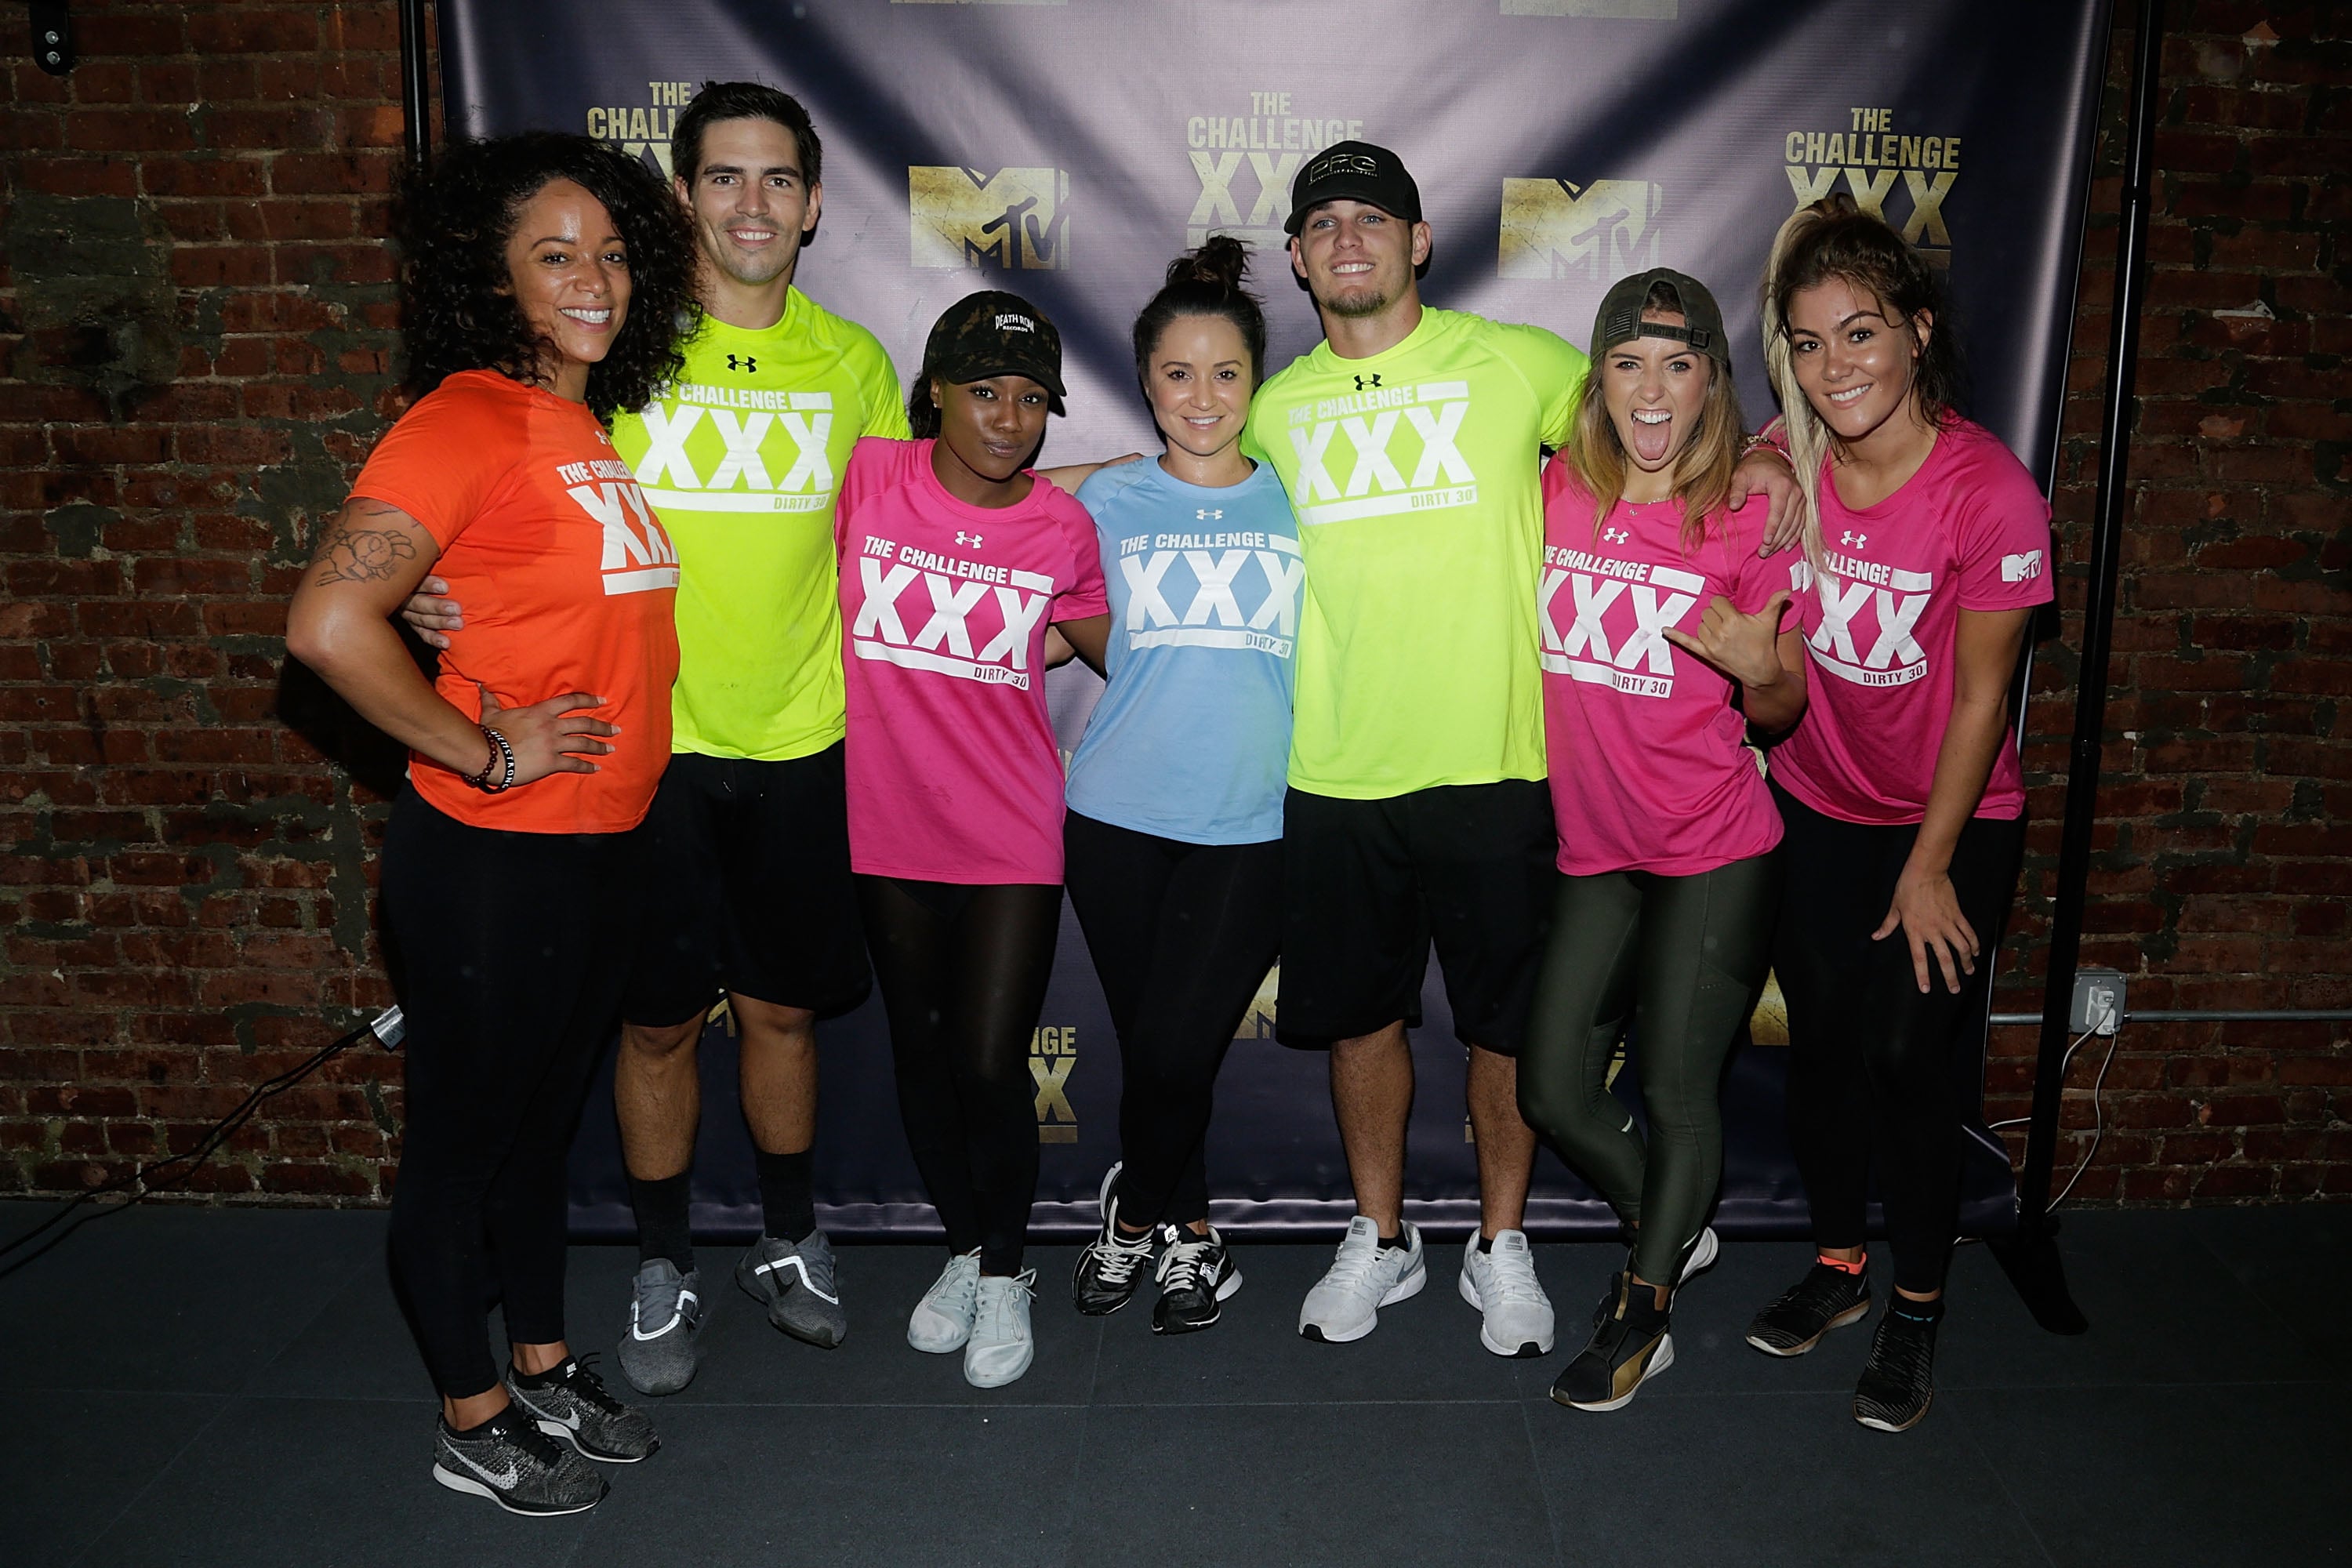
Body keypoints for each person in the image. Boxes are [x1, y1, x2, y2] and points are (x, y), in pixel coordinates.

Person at [1242, 142, 1802, 1354]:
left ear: (1419, 240)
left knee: (1507, 1032)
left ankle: (1502, 1244)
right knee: (1359, 1023)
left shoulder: (1519, 364)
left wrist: (1764, 453)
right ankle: (1381, 1236)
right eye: (1325, 222)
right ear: (1295, 256)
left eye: (1374, 217)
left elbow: (1658, 417)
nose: (1349, 237)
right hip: (1336, 771)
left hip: (1500, 769)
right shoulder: (1273, 411)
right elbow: (1183, 480)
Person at [405, 84, 908, 1395]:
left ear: (814, 202)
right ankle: (664, 1262)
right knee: (658, 1023)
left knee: (783, 1012)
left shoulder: (855, 363)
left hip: (799, 740)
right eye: (724, 177)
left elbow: (918, 525)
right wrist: (415, 581)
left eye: (779, 178)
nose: (753, 203)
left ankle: (790, 1240)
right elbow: (479, 475)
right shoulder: (614, 345)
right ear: (682, 195)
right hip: (643, 756)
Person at [286, 132, 695, 1513]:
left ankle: (541, 1363)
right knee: (465, 1144)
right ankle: (469, 1415)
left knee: (538, 1134)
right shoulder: (465, 418)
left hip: (597, 848)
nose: (595, 280)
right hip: (490, 858)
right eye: (555, 255)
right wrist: (487, 750)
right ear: (490, 274)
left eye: (614, 254)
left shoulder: (578, 430)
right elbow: (327, 622)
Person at [1742, 196, 2053, 1433]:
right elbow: (1756, 449)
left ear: (1918, 332)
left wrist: (1930, 867)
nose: (1837, 367)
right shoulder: (1796, 453)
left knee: (1910, 1063)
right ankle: (1840, 1265)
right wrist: (1764, 457)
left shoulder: (1990, 492)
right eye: (1809, 343)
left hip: (1952, 822)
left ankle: (1917, 1308)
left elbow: (1984, 700)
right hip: (1818, 807)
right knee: (1822, 1052)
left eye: (1861, 333)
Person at [1515, 269, 1806, 1410]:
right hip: (1599, 849)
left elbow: (1780, 706)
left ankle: (1644, 1314)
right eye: (1629, 364)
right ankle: (1670, 1222)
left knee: (1679, 1091)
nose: (1652, 390)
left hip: (1714, 848)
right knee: (1554, 1090)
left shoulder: (1749, 512)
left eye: (1678, 366)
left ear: (1710, 383)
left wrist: (1757, 668)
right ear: (1598, 380)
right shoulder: (1552, 490)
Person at [835, 293, 1112, 1388]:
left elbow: (1117, 648)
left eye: (1032, 399)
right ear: (937, 393)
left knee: (992, 1062)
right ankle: (961, 1247)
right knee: (922, 1054)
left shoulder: (1062, 528)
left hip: (1010, 827)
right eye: (985, 391)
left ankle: (1005, 1270)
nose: (1008, 418)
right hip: (887, 821)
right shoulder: (866, 478)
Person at [1061, 238, 1295, 1334]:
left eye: (1226, 372)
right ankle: (1192, 1236)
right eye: (1177, 374)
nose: (1203, 397)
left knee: (1172, 1049)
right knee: (1159, 1049)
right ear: (1145, 382)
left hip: (1254, 822)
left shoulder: (1302, 498)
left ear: (1258, 381)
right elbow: (975, 492)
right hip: (1115, 816)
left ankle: (1132, 1210)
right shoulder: (1104, 499)